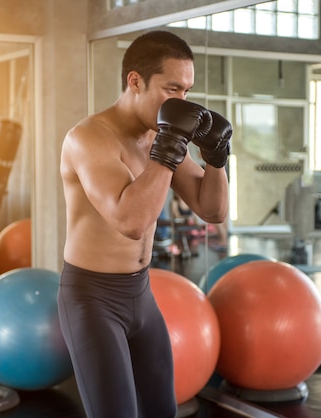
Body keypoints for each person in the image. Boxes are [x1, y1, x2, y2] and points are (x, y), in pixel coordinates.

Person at [57, 30, 231, 418]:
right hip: (93, 299)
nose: (182, 102)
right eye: (172, 89)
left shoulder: (159, 136)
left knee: (160, 411)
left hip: (141, 294)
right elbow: (131, 221)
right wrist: (169, 148)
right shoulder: (89, 138)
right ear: (135, 81)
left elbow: (212, 209)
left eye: (186, 91)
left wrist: (216, 159)